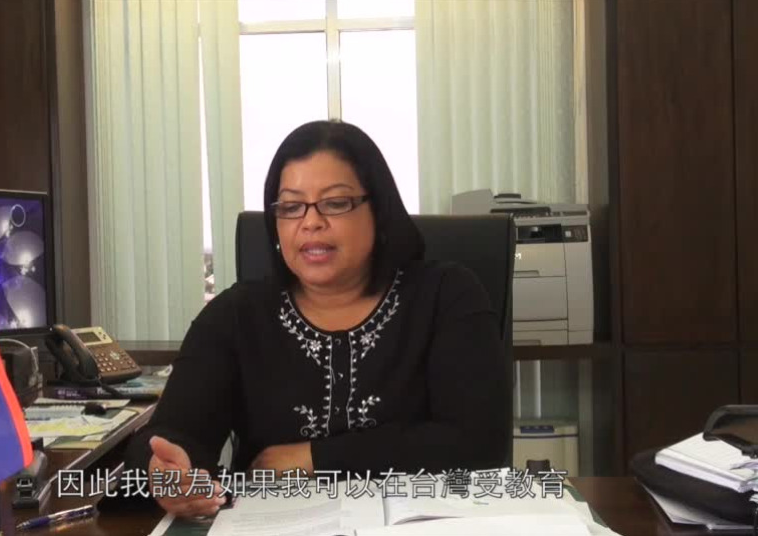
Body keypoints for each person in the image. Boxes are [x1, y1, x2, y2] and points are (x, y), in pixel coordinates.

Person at [121, 120, 508, 518]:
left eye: (335, 203)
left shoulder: (445, 295)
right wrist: (164, 472)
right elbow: (169, 433)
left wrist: (312, 457)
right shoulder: (237, 314)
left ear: (380, 210)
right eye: (291, 207)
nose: (310, 222)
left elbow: (480, 443)